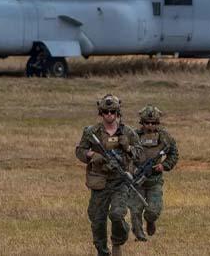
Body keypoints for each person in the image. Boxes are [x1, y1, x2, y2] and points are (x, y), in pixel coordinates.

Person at [75, 94, 142, 256]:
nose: (109, 115)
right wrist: (92, 156)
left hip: (120, 182)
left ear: (118, 112)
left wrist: (128, 148)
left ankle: (118, 241)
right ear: (101, 113)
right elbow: (80, 151)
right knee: (97, 221)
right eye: (106, 112)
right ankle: (103, 252)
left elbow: (140, 154)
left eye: (113, 112)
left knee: (117, 214)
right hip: (100, 182)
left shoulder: (128, 132)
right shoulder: (92, 132)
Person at [129, 105, 178, 241]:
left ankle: (150, 220)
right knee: (135, 210)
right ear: (142, 123)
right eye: (147, 122)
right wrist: (131, 169)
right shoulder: (133, 136)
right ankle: (139, 237)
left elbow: (174, 154)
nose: (150, 125)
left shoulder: (165, 138)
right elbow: (125, 154)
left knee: (153, 211)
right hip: (136, 181)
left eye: (154, 123)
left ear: (158, 123)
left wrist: (164, 165)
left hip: (154, 181)